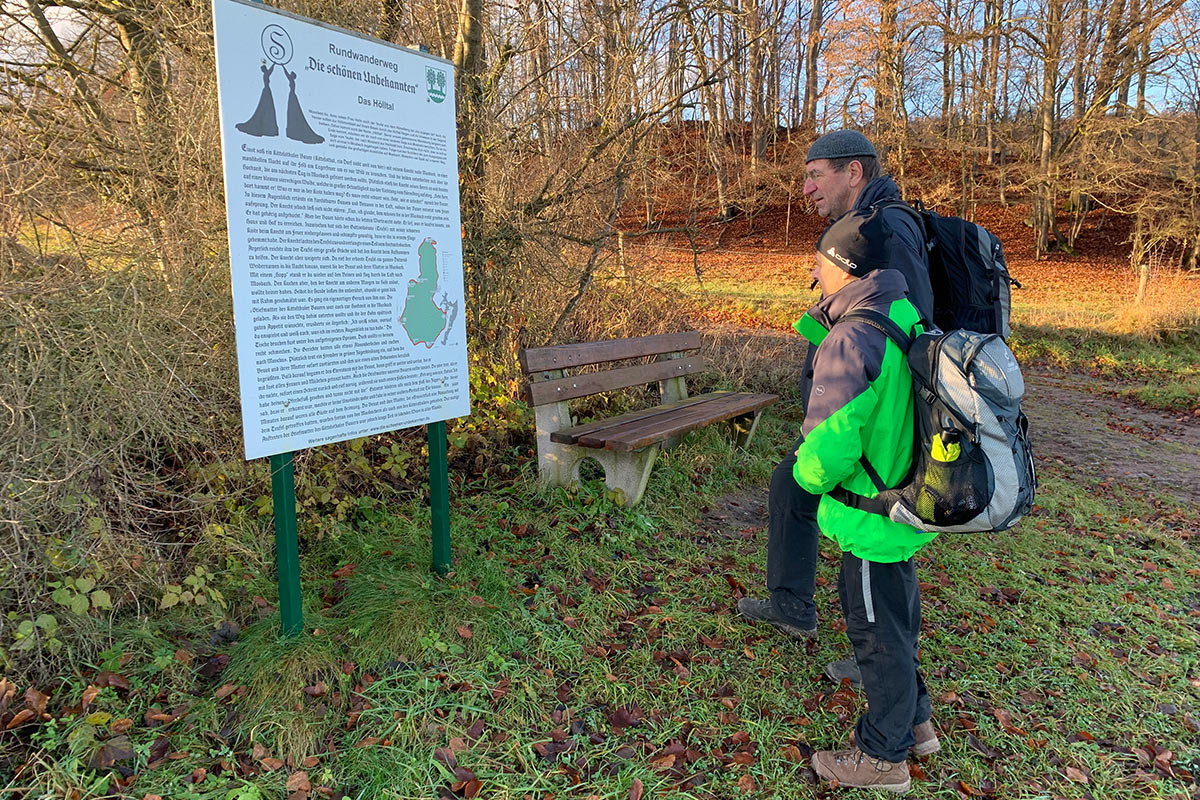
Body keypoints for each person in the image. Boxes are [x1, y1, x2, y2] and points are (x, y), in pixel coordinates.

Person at [737, 129, 934, 686]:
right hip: (856, 410)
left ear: (854, 173)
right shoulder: (878, 222)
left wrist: (853, 406)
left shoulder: (883, 228)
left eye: (815, 173)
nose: (806, 188)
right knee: (801, 494)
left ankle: (876, 653)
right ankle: (798, 607)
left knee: (870, 537)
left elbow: (899, 326)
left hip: (865, 418)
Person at [793, 208, 939, 791]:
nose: (813, 274)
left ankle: (883, 757)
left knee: (877, 639)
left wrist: (803, 478)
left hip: (869, 519)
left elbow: (830, 443)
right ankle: (918, 723)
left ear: (842, 267)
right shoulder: (899, 313)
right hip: (902, 503)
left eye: (819, 264)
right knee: (898, 626)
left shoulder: (852, 336)